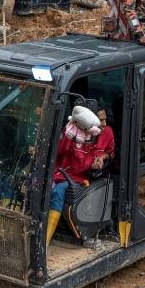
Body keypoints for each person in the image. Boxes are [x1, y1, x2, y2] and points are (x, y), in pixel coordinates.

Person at [46, 105, 104, 246]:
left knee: (59, 190)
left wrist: (97, 162)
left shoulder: (93, 143)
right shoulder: (68, 134)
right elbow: (57, 152)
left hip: (75, 178)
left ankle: (45, 240)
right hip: (56, 173)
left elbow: (83, 165)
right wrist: (67, 136)